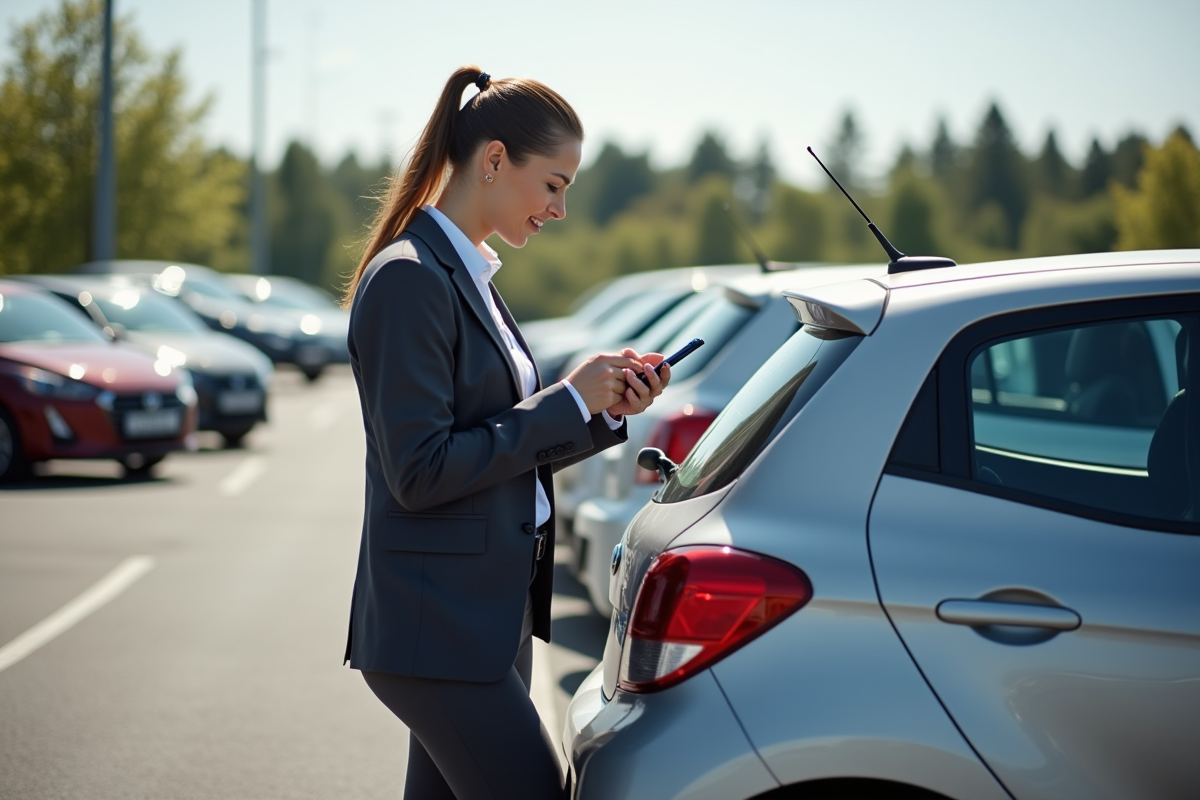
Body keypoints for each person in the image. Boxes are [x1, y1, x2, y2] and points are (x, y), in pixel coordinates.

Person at [341, 66, 670, 800]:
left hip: (484, 622)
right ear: (493, 160)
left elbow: (499, 441)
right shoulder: (410, 278)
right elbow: (421, 470)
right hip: (441, 633)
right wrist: (563, 401)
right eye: (553, 184)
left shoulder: (465, 275)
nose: (559, 208)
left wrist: (600, 407)